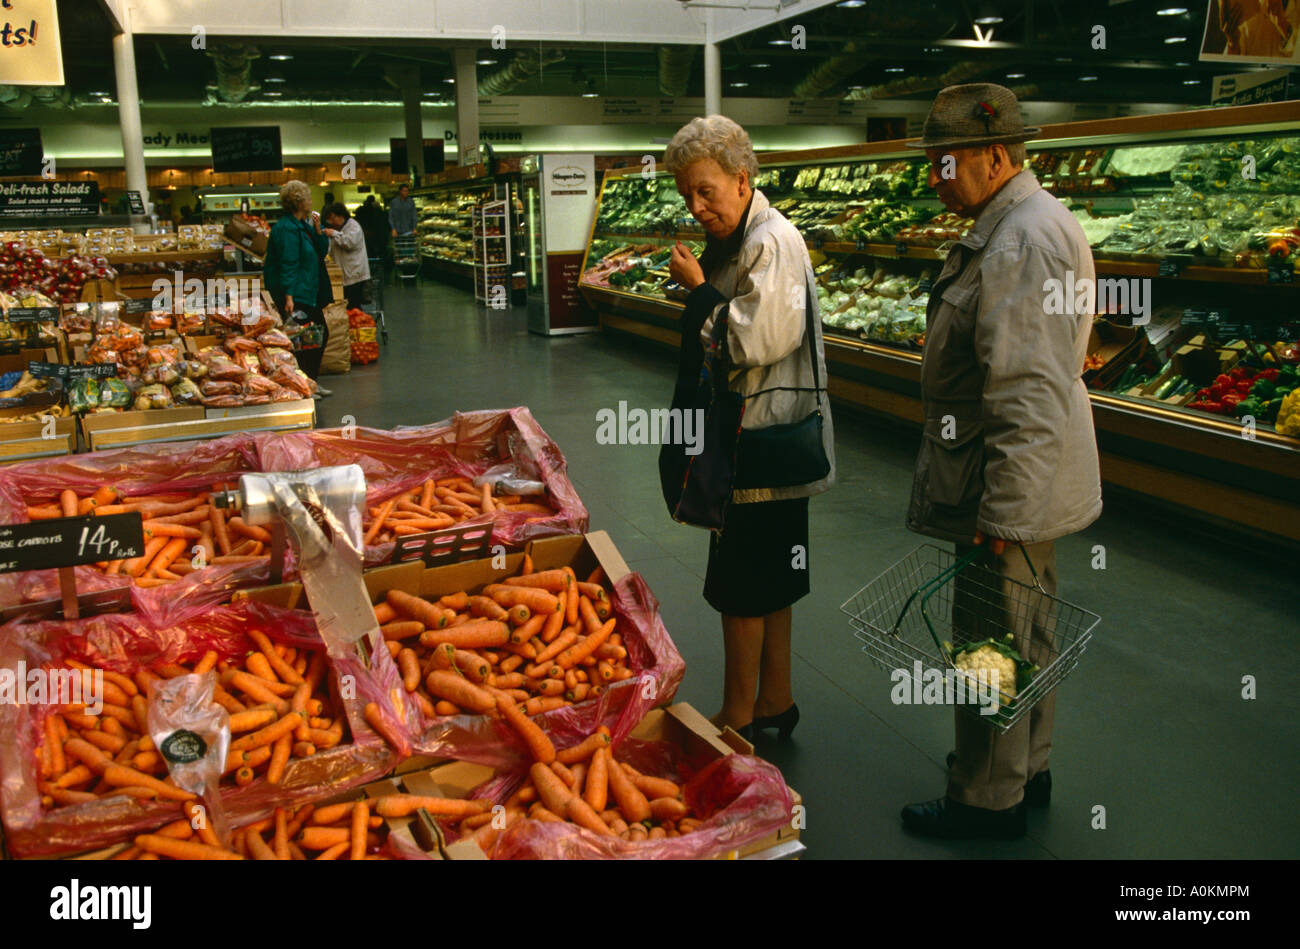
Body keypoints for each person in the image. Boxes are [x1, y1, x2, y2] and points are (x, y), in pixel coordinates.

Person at [899, 83, 1101, 839]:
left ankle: (985, 799)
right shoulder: (1020, 221)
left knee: (991, 640)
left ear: (992, 155)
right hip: (1024, 477)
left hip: (1004, 481)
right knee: (1028, 630)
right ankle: (1029, 767)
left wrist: (1004, 515)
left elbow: (1023, 391)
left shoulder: (1018, 239)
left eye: (944, 162)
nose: (934, 178)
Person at [663, 115, 836, 742]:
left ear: (742, 179)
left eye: (705, 190)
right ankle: (774, 705)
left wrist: (700, 293)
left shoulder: (772, 241)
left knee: (740, 587)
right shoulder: (748, 237)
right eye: (686, 194)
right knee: (772, 581)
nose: (696, 205)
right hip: (762, 437)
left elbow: (757, 338)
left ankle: (737, 720)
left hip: (759, 439)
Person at [262, 180, 332, 396]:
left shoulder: (303, 226)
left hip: (308, 290)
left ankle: (308, 382)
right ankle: (304, 384)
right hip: (298, 292)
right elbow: (288, 262)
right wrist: (289, 295)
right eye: (308, 197)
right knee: (306, 338)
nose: (311, 201)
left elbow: (320, 253)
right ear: (299, 202)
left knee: (313, 335)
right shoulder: (287, 229)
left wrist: (319, 231)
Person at [322, 201, 372, 311]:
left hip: (355, 275)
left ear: (341, 215)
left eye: (333, 218)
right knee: (349, 305)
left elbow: (349, 242)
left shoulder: (353, 226)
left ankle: (358, 325)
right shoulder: (339, 229)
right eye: (329, 219)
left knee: (353, 305)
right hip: (345, 276)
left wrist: (334, 234)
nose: (331, 222)